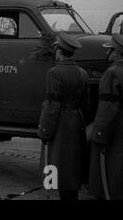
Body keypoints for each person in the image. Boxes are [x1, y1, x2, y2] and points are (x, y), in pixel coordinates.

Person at [37, 32, 89, 200]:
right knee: (72, 169)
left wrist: (45, 131)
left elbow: (52, 106)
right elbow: (86, 103)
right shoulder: (82, 73)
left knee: (57, 167)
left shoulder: (54, 73)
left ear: (59, 51)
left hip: (61, 125)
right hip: (76, 122)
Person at [89, 34, 123, 200]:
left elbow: (107, 108)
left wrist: (100, 135)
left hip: (114, 130)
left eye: (110, 49)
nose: (108, 52)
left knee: (109, 176)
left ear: (116, 52)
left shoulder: (112, 73)